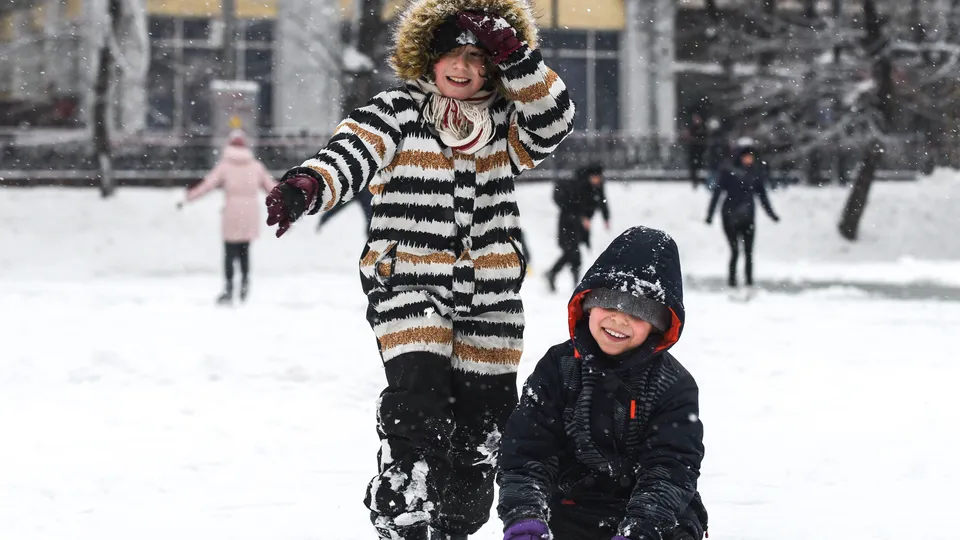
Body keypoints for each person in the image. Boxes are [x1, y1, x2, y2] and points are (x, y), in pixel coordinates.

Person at [263, 0, 575, 538]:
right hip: (408, 278)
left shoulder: (507, 122)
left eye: (479, 59)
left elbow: (556, 121)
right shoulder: (399, 110)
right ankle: (405, 497)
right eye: (452, 55)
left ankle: (457, 512)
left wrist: (518, 58)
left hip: (490, 291)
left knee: (485, 419)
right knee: (421, 394)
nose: (463, 68)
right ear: (428, 60)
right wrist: (308, 186)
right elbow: (352, 151)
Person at [497, 226, 708, 540]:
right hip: (570, 507)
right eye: (609, 304)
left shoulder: (673, 385)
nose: (619, 320)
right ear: (588, 305)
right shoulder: (558, 367)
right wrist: (525, 515)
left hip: (654, 517)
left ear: (658, 325)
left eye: (638, 314)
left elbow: (670, 468)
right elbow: (527, 451)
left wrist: (641, 529)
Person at [179, 129, 277, 304]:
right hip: (249, 213)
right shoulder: (256, 166)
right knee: (245, 251)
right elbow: (272, 188)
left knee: (229, 253)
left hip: (231, 213)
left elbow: (207, 185)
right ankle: (245, 283)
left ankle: (229, 289)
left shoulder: (225, 166)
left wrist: (189, 197)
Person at [705, 143, 780, 289]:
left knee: (748, 252)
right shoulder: (728, 172)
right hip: (730, 216)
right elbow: (717, 194)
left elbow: (762, 195)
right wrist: (710, 214)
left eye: (751, 157)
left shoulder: (754, 173)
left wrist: (772, 214)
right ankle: (732, 281)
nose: (749, 159)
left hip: (748, 217)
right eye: (746, 156)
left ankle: (749, 281)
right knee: (734, 251)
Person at [546, 163, 609, 293]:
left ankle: (561, 278)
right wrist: (582, 217)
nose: (598, 180)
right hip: (568, 223)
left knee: (573, 253)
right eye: (596, 177)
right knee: (571, 252)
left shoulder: (597, 186)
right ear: (590, 176)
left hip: (579, 226)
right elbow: (572, 205)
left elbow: (602, 201)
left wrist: (606, 218)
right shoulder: (579, 185)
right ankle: (555, 275)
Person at [681, 112, 707, 189]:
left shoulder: (702, 127)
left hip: (699, 150)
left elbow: (703, 138)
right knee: (693, 166)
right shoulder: (693, 127)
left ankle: (696, 180)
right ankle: (694, 180)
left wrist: (694, 139)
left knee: (697, 165)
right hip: (693, 149)